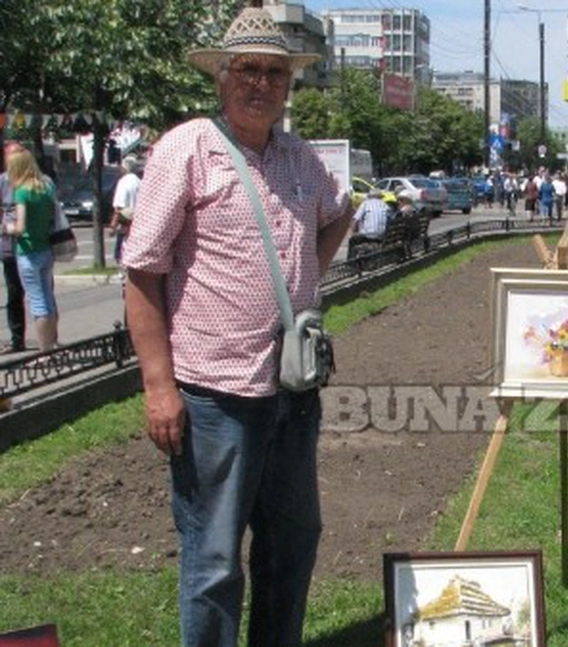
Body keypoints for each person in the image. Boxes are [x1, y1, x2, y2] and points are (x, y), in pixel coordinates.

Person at [120, 8, 352, 647]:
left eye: (275, 73)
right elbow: (142, 273)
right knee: (215, 558)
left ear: (289, 84)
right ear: (221, 76)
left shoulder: (299, 157)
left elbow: (340, 212)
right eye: (248, 69)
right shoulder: (187, 149)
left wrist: (304, 280)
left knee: (292, 543)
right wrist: (158, 387)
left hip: (292, 394)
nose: (262, 83)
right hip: (214, 398)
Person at [4, 148, 59, 353]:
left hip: (28, 251)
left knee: (37, 301)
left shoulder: (22, 192)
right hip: (46, 249)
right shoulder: (45, 188)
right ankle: (51, 346)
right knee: (48, 297)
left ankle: (44, 352)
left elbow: (20, 227)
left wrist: (7, 228)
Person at [0, 142, 27, 353]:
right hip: (10, 246)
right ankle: (17, 339)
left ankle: (49, 342)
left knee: (40, 294)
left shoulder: (36, 181)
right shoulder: (3, 181)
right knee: (14, 292)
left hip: (33, 245)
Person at [111, 155, 142, 266]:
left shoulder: (123, 182)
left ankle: (123, 271)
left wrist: (113, 225)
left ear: (125, 168)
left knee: (120, 254)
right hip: (139, 223)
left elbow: (119, 206)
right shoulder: (140, 182)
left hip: (125, 222)